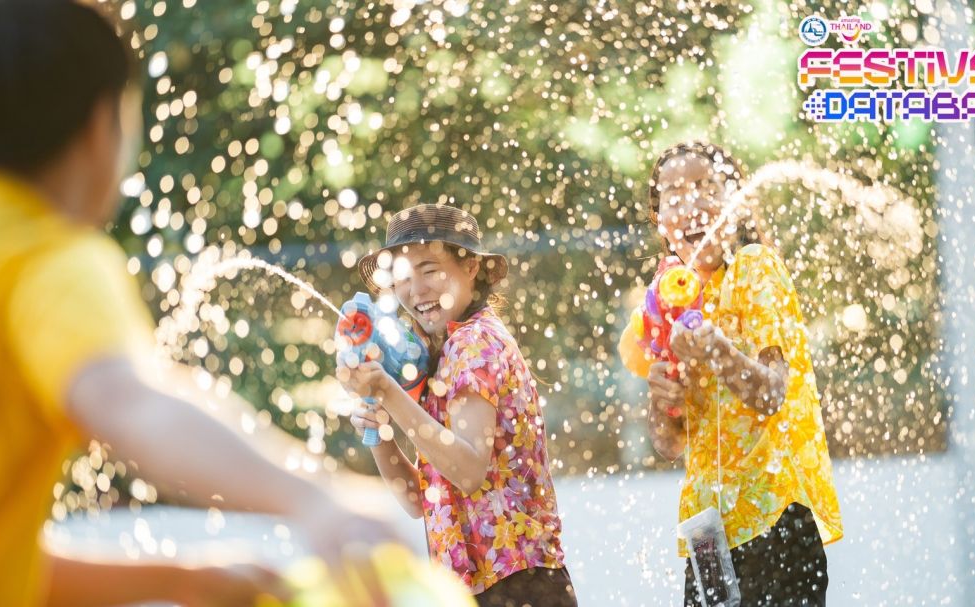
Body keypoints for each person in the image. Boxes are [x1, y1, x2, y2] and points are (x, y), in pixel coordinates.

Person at [0, 1, 422, 605]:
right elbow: (132, 402)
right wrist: (316, 500)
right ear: (102, 127)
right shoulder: (47, 259)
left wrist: (181, 579)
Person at [618, 142, 843, 606]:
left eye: (707, 187)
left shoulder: (753, 269)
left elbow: (772, 393)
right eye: (674, 195)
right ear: (659, 219)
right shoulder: (667, 303)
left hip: (774, 522)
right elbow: (669, 444)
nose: (693, 205)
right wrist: (662, 400)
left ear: (733, 203)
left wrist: (717, 351)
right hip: (707, 535)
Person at [338, 204, 576, 607]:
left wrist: (388, 393)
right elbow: (419, 501)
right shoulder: (446, 350)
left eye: (429, 270)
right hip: (476, 589)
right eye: (402, 277)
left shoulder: (475, 343)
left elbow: (467, 471)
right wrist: (378, 429)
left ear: (471, 268)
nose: (416, 290)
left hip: (516, 586)